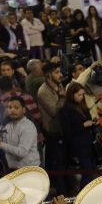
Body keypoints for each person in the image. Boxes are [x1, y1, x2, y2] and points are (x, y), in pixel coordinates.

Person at [59, 81, 98, 191]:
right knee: (87, 171)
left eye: (82, 95)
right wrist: (83, 125)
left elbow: (87, 119)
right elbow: (67, 131)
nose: (81, 97)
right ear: (72, 94)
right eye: (79, 95)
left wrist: (93, 123)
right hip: (78, 146)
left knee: (91, 169)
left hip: (88, 143)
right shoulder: (65, 110)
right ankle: (83, 193)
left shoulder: (81, 105)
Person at [37, 62, 68, 195]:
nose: (60, 75)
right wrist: (62, 98)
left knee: (64, 163)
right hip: (53, 133)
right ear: (49, 75)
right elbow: (54, 111)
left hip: (63, 131)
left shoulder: (58, 85)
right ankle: (61, 194)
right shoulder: (43, 91)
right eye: (57, 72)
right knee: (57, 165)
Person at [0, 96, 40, 170]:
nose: (12, 110)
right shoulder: (6, 124)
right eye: (9, 107)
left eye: (16, 107)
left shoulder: (28, 127)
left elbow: (22, 152)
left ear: (24, 110)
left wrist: (0, 144)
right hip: (12, 168)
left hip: (29, 170)